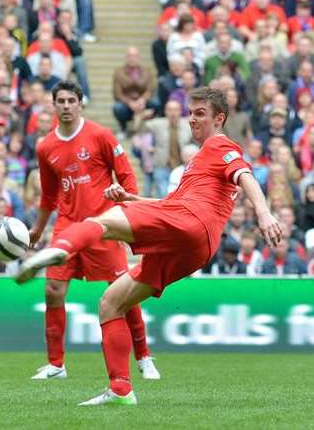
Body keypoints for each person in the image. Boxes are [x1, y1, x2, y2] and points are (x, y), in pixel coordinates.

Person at [16, 87, 282, 406]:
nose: (192, 118)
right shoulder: (199, 162)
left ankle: (59, 249)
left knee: (104, 220)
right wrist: (134, 199)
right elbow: (173, 203)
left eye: (200, 113)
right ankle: (121, 389)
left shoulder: (219, 144)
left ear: (219, 118)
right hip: (195, 246)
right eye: (191, 112)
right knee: (111, 302)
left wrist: (264, 213)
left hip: (190, 222)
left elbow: (245, 175)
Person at [29, 80, 158, 381]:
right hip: (67, 227)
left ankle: (144, 357)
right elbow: (48, 195)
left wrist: (128, 212)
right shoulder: (46, 146)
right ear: (53, 105)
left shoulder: (100, 135)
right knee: (53, 290)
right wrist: (37, 228)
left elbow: (126, 175)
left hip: (104, 226)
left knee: (125, 295)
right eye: (60, 101)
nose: (65, 106)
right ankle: (56, 364)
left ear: (80, 103)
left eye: (70, 101)